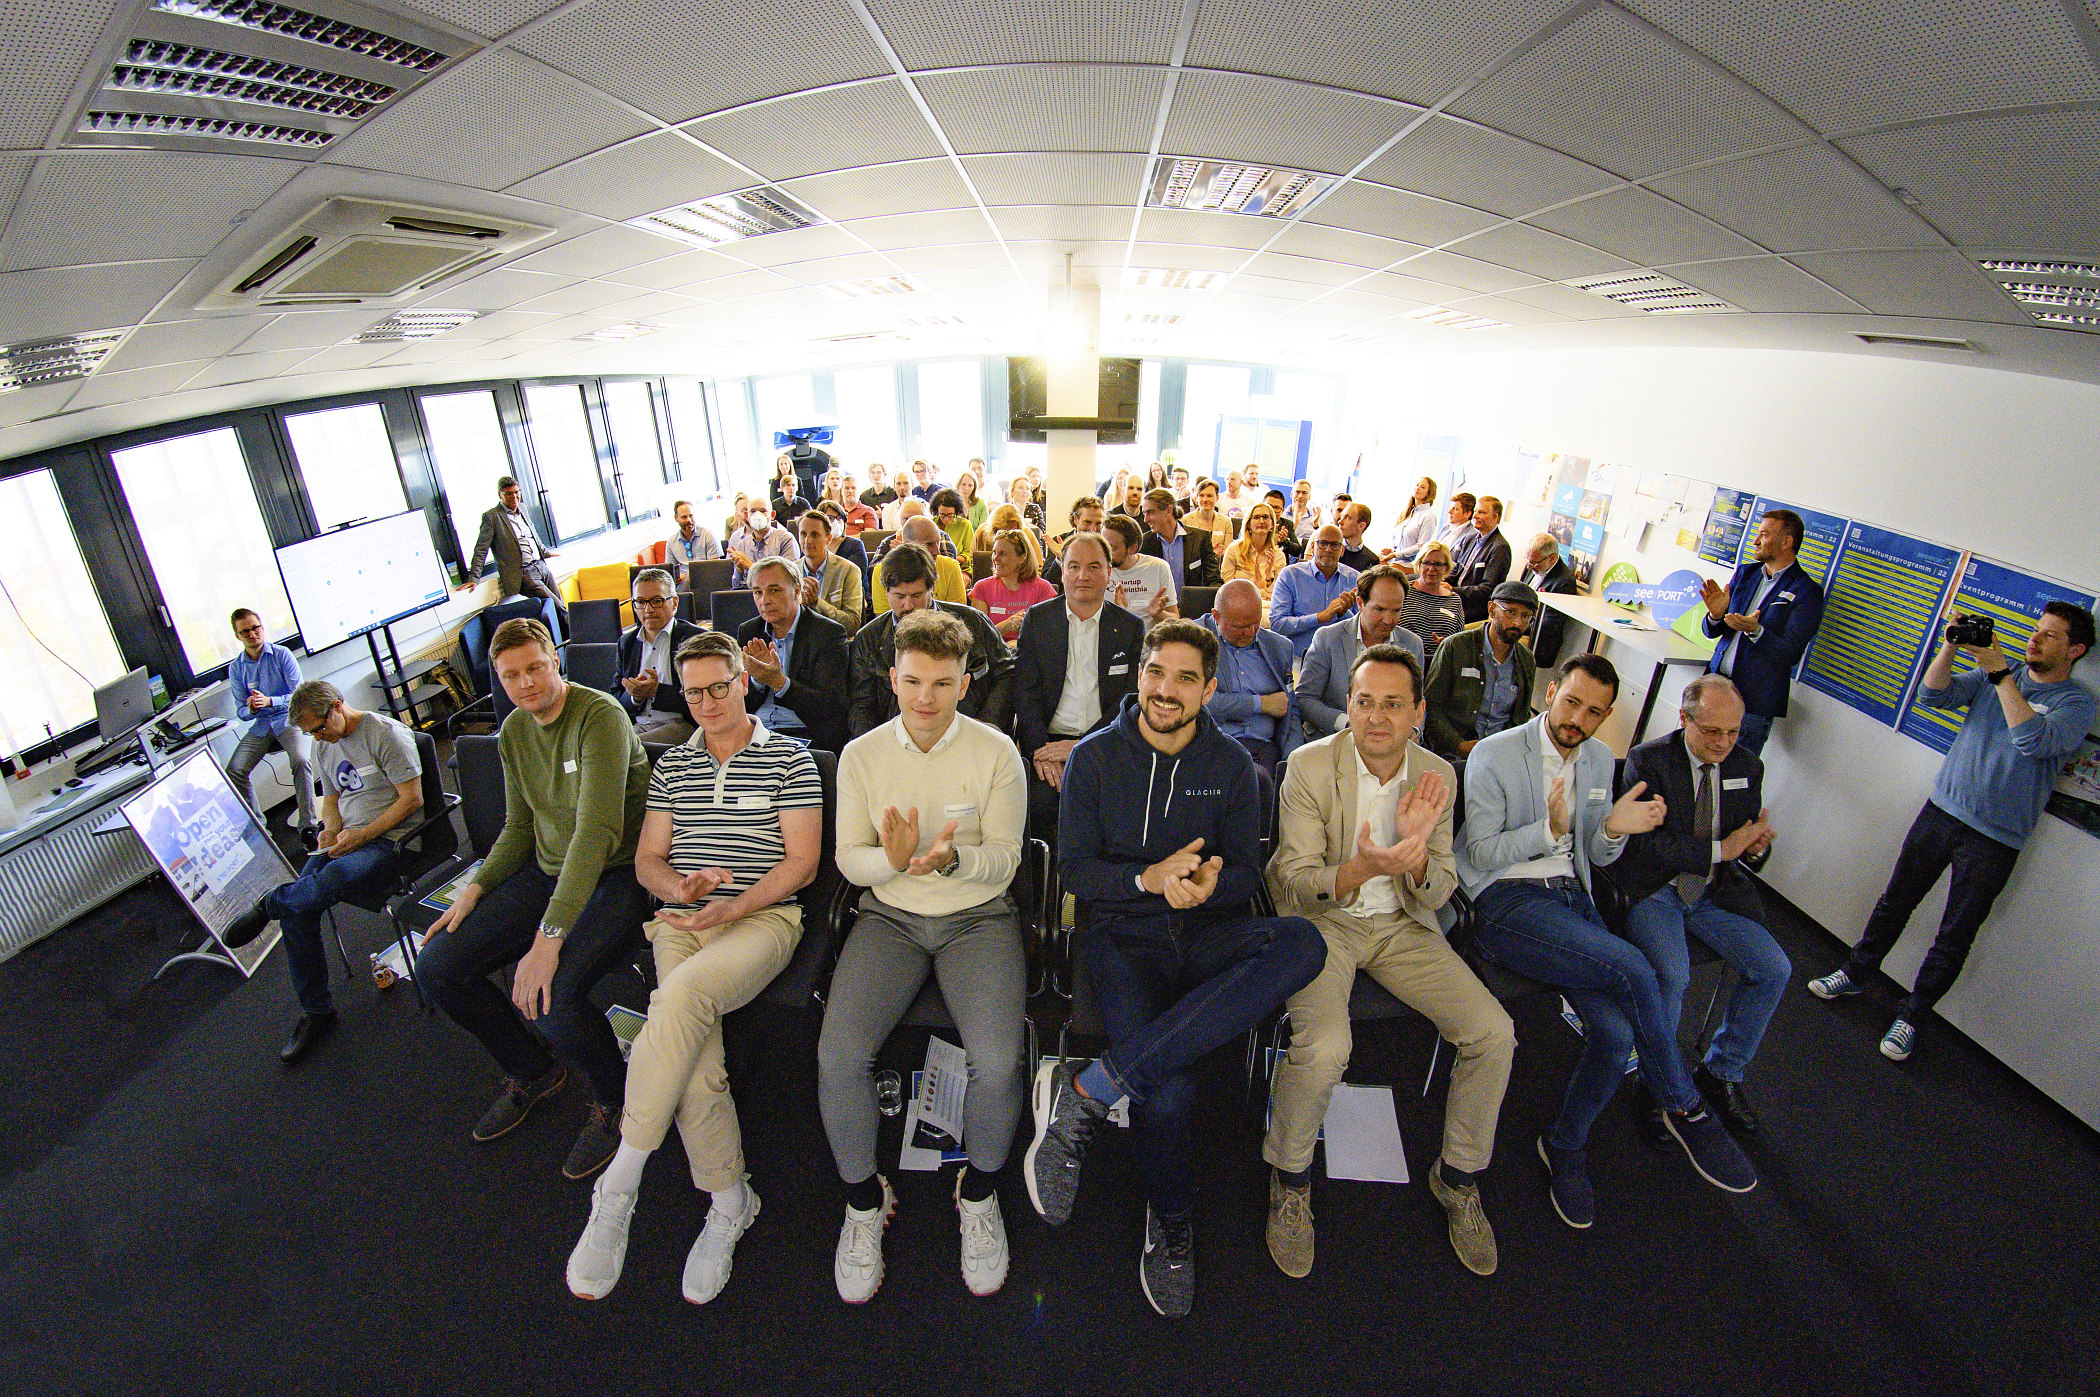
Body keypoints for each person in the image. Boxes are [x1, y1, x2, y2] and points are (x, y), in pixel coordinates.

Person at [1026, 620, 1326, 1318]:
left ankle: (1092, 1088)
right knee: (1168, 1091)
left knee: (1303, 943)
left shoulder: (1234, 768)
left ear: (1210, 689)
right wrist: (1147, 880)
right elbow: (1075, 871)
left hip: (1206, 931)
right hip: (1122, 938)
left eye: (1186, 678)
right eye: (1156, 672)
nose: (1167, 689)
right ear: (1140, 676)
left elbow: (1246, 872)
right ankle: (1171, 1222)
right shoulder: (1094, 759)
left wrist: (1208, 886)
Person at [563, 631, 820, 1304]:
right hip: (680, 921)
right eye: (694, 692)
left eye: (719, 687)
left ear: (744, 681)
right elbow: (649, 860)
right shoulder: (673, 764)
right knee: (698, 1069)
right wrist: (678, 887)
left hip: (762, 919)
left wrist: (733, 906)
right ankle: (731, 1202)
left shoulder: (789, 757)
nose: (707, 702)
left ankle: (621, 1180)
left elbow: (801, 864)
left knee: (677, 1002)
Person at [1460, 653, 1756, 1227]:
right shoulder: (1495, 753)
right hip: (1506, 899)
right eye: (1571, 702)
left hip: (1572, 897)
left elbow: (1593, 852)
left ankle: (1563, 1143)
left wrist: (1615, 829)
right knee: (1635, 967)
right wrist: (1546, 829)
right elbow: (1480, 852)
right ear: (1550, 693)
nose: (1578, 719)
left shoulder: (1597, 759)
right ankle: (1684, 1105)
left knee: (1617, 1034)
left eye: (1594, 712)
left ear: (1606, 717)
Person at [1263, 645, 1513, 1278]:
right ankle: (1290, 1178)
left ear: (1418, 712)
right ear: (1347, 706)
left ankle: (1457, 1176)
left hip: (1403, 925)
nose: (1376, 718)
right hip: (1326, 922)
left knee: (1494, 1033)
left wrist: (1417, 856)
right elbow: (1294, 883)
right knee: (1326, 1048)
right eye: (1364, 702)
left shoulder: (1436, 775)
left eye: (1393, 704)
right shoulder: (1309, 766)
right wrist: (1362, 868)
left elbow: (1440, 889)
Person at [821, 610, 1031, 1302]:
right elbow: (849, 860)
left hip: (978, 917)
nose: (925, 697)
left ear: (965, 683)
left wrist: (949, 862)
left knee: (998, 1061)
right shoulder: (861, 755)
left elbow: (1004, 861)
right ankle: (863, 1200)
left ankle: (979, 1191)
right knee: (838, 1056)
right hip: (891, 916)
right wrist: (895, 860)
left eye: (942, 683)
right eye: (913, 681)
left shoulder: (997, 752)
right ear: (893, 678)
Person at [416, 617, 652, 1180]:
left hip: (617, 875)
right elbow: (518, 826)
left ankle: (618, 1100)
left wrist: (548, 938)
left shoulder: (599, 716)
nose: (525, 683)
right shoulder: (516, 731)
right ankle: (533, 1070)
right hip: (547, 873)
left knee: (551, 994)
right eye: (510, 675)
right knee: (438, 968)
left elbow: (596, 833)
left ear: (556, 661)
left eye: (535, 668)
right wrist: (476, 888)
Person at [1809, 602, 2095, 1061]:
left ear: (2075, 650)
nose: (2035, 639)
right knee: (1895, 900)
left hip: (1996, 838)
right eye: (2036, 629)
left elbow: (2033, 740)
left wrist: (1999, 674)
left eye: (2051, 635)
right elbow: (1932, 695)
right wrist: (1950, 648)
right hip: (1942, 811)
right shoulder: (2002, 671)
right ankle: (1856, 972)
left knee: (1955, 934)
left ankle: (1912, 1016)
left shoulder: (2076, 704)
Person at [1614, 675, 1788, 1141]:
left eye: (1733, 732)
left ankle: (1721, 1071)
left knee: (1774, 969)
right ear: (1683, 718)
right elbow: (1642, 847)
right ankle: (1655, 1083)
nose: (1723, 743)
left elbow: (1743, 842)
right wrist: (1720, 850)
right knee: (1674, 976)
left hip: (1714, 892)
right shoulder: (1649, 761)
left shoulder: (1747, 766)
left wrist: (1754, 849)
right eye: (1712, 731)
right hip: (1656, 889)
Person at [221, 681, 422, 1063]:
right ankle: (317, 1012)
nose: (317, 737)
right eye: (310, 732)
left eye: (318, 728)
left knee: (328, 881)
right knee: (299, 910)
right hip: (347, 838)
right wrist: (329, 829)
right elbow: (330, 800)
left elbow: (412, 800)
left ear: (337, 706)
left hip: (390, 841)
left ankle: (269, 903)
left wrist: (363, 834)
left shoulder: (385, 734)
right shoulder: (324, 743)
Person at [1011, 532, 1144, 835]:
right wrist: (1039, 751)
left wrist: (1084, 746)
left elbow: (1130, 697)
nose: (1083, 576)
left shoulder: (1129, 627)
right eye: (1074, 566)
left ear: (1109, 573)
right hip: (1049, 744)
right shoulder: (1039, 620)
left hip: (1109, 742)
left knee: (1117, 807)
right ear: (1062, 572)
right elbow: (1025, 692)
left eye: (1094, 567)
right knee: (1039, 805)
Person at [849, 543, 1014, 738]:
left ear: (932, 589)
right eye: (899, 596)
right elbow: (861, 704)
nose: (908, 605)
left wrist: (986, 723)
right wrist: (877, 744)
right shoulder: (867, 640)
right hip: (897, 739)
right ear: (886, 592)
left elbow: (1007, 675)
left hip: (972, 733)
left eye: (917, 595)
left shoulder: (974, 622)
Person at [1698, 509, 1826, 754]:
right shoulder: (1746, 573)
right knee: (1691, 757)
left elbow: (1790, 653)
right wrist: (1715, 615)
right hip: (1715, 687)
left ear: (1786, 542)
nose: (1756, 541)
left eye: (1764, 535)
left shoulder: (1807, 591)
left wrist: (1756, 631)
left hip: (1753, 704)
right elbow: (1714, 632)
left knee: (1735, 770)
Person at [738, 555, 852, 754]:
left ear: (797, 590)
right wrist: (757, 680)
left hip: (805, 734)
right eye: (758, 592)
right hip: (755, 732)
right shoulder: (749, 631)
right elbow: (738, 701)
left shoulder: (828, 633)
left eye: (774, 590)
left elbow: (830, 708)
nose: (764, 601)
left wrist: (779, 683)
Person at [1296, 565, 1425, 739]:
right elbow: (1305, 699)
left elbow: (1417, 701)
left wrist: (1414, 730)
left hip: (1392, 741)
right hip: (1334, 738)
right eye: (1379, 609)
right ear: (1360, 603)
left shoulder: (1412, 644)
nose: (1388, 620)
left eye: (1396, 611)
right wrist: (1349, 722)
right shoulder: (1328, 639)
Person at [224, 608, 316, 840]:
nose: (252, 634)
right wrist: (251, 708)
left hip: (289, 719)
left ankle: (308, 826)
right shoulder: (236, 668)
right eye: (245, 631)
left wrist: (270, 701)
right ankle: (261, 831)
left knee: (301, 760)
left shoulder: (281, 654)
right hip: (262, 725)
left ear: (262, 627)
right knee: (234, 770)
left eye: (255, 628)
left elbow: (299, 694)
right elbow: (241, 712)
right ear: (238, 636)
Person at [1423, 582, 1540, 760]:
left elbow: (1522, 716)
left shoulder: (1526, 660)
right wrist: (1457, 744)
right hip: (1452, 750)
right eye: (1511, 612)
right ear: (1491, 610)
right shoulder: (1456, 647)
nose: (1518, 622)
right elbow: (1431, 705)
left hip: (1500, 754)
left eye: (1525, 616)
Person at [1201, 579, 1303, 775]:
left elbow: (1290, 712)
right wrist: (1261, 704)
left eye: (1256, 623)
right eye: (1240, 627)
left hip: (1264, 749)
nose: (1250, 632)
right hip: (1211, 744)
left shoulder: (1280, 647)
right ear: (1216, 617)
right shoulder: (1194, 640)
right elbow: (1196, 702)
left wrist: (1293, 760)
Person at [616, 568, 704, 744]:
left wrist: (656, 691)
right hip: (638, 724)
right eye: (640, 602)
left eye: (657, 601)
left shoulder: (697, 639)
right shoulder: (627, 642)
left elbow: (703, 696)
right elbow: (616, 697)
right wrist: (635, 697)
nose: (648, 609)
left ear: (674, 603)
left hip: (682, 723)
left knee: (627, 747)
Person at [466, 476, 566, 622]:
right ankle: (578, 635)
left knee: (561, 603)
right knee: (558, 607)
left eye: (516, 492)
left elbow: (532, 535)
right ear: (500, 495)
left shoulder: (523, 508)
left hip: (540, 565)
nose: (514, 497)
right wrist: (474, 578)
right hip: (524, 574)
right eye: (508, 493)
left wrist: (545, 552)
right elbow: (481, 549)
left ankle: (565, 635)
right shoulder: (492, 517)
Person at [1270, 526, 1361, 662]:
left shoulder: (1355, 579)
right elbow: (1277, 624)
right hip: (1298, 659)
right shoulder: (1291, 575)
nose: (1328, 549)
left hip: (1339, 660)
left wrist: (1343, 614)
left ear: (1342, 550)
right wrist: (1320, 617)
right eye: (1322, 543)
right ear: (1312, 546)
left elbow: (1362, 630)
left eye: (1334, 545)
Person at [970, 528, 1057, 642]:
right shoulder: (982, 588)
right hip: (994, 651)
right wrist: (1007, 625)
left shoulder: (1043, 588)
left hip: (1030, 650)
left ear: (1022, 558)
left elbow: (1049, 636)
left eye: (1003, 554)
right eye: (994, 552)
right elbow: (978, 639)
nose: (995, 558)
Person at [796, 508, 865, 632]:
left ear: (828, 538)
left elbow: (852, 623)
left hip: (834, 639)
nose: (807, 541)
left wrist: (817, 603)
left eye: (815, 535)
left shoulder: (848, 570)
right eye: (803, 534)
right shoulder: (791, 572)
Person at [1139, 487, 1220, 591]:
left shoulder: (1200, 538)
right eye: (1144, 513)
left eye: (1150, 512)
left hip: (1193, 601)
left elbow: (1214, 580)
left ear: (1168, 510)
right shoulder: (1145, 543)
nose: (1145, 519)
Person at [1102, 513, 1178, 622]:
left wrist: (1158, 614)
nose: (1104, 553)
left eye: (1112, 548)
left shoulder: (1158, 567)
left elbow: (1175, 619)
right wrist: (1120, 612)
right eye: (1103, 546)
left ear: (1132, 549)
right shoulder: (1098, 569)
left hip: (1149, 632)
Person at [1517, 532, 1577, 667]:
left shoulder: (1564, 582)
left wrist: (1515, 625)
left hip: (1534, 638)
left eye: (1534, 563)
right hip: (1514, 622)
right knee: (1471, 633)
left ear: (1552, 558)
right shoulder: (1532, 565)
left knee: (1490, 644)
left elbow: (1550, 623)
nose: (1529, 567)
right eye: (1528, 561)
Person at [1451, 496, 1512, 623]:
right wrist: (1439, 582)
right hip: (1454, 599)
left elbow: (1487, 590)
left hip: (1472, 609)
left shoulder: (1500, 548)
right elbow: (1455, 572)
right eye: (1475, 511)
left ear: (1494, 517)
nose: (1475, 516)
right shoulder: (1469, 539)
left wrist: (1452, 590)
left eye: (1481, 512)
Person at [1399, 541, 1466, 650]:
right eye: (1427, 563)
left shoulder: (1454, 600)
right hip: (1403, 656)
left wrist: (1447, 644)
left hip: (1439, 658)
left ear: (1446, 568)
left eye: (1438, 564)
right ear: (1419, 564)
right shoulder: (1403, 591)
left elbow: (1459, 641)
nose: (1431, 569)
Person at [1219, 501, 1287, 605]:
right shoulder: (1234, 550)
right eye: (1256, 517)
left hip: (1269, 606)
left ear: (1272, 524)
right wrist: (1255, 586)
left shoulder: (1278, 555)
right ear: (1248, 524)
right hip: (1239, 604)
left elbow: (1280, 594)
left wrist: (1268, 578)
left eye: (1266, 517)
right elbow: (1227, 588)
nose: (1261, 521)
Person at [726, 501, 800, 588]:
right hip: (749, 594)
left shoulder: (785, 539)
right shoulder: (742, 544)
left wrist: (751, 567)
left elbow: (789, 578)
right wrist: (739, 570)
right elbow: (736, 587)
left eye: (763, 511)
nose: (757, 516)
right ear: (747, 516)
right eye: (753, 511)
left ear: (772, 515)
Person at [900, 515, 969, 604]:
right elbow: (887, 613)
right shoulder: (887, 570)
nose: (937, 551)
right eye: (928, 544)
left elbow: (957, 611)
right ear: (907, 544)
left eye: (938, 543)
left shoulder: (950, 567)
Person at [1397, 491, 1477, 565]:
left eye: (1455, 509)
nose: (1449, 512)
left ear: (1467, 514)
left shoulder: (1472, 535)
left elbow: (1459, 566)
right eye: (1451, 508)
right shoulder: (1446, 528)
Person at [666, 500, 721, 588]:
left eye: (691, 516)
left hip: (707, 581)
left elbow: (715, 567)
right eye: (684, 517)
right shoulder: (671, 541)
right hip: (683, 586)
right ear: (676, 518)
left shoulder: (708, 535)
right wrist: (676, 578)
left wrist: (688, 576)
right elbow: (670, 572)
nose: (689, 520)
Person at [1390, 477, 1441, 557]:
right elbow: (1394, 537)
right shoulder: (1406, 512)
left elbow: (1420, 546)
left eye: (1422, 487)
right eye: (1417, 485)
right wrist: (1392, 550)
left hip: (1409, 563)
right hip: (1395, 560)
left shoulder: (1428, 516)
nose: (1418, 488)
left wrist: (1396, 554)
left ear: (1429, 493)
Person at [1187, 477, 1231, 554]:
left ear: (1217, 498)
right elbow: (1186, 552)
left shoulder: (1226, 522)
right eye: (1201, 495)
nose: (1205, 499)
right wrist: (1211, 552)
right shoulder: (1185, 520)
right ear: (1197, 498)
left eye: (1209, 496)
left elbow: (1228, 552)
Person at [1336, 502, 1380, 574]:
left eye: (1347, 518)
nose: (1340, 521)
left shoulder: (1372, 561)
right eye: (1342, 517)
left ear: (1361, 526)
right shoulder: (1332, 551)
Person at [932, 488, 975, 558]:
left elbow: (969, 553)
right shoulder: (931, 523)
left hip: (958, 563)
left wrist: (951, 559)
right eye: (942, 514)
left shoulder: (965, 524)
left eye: (950, 515)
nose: (946, 519)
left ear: (956, 511)